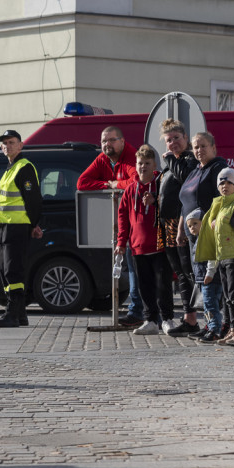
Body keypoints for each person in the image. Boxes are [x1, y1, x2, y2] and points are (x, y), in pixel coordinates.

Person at [75, 126, 144, 326]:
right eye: (104, 141)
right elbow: (82, 182)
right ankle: (136, 311)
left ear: (122, 141)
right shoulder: (103, 159)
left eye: (112, 140)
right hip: (120, 223)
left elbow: (137, 181)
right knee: (130, 268)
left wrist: (116, 184)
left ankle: (138, 311)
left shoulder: (132, 155)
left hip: (138, 222)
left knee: (135, 269)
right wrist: (107, 185)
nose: (107, 145)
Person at [115, 145, 174, 335]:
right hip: (138, 247)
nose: (143, 167)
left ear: (154, 164)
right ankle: (150, 320)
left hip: (159, 245)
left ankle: (167, 319)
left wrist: (156, 200)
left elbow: (171, 206)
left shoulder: (161, 184)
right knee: (145, 287)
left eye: (147, 163)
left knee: (163, 285)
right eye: (140, 163)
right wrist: (121, 243)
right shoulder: (130, 190)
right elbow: (122, 218)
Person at [177, 131, 229, 342]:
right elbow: (184, 205)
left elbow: (222, 202)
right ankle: (210, 323)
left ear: (214, 147)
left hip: (209, 235)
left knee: (211, 283)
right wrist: (181, 230)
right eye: (195, 147)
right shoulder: (195, 171)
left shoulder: (218, 169)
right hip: (192, 236)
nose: (199, 150)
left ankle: (217, 327)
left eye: (203, 146)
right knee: (200, 281)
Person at [195, 167, 234, 345]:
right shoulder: (219, 206)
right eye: (222, 183)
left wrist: (229, 221)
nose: (225, 186)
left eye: (229, 183)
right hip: (223, 255)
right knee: (227, 296)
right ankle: (233, 329)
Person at [0, 130, 43, 328]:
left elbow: (34, 200)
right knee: (5, 271)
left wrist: (34, 224)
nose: (8, 146)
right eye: (4, 143)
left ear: (21, 145)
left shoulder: (24, 167)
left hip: (17, 226)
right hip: (3, 227)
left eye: (12, 142)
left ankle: (12, 313)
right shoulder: (9, 168)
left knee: (13, 271)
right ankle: (20, 314)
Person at [157, 119, 201, 337]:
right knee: (180, 274)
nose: (173, 143)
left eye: (177, 138)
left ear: (186, 138)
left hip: (182, 223)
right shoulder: (170, 163)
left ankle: (207, 318)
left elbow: (186, 179)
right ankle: (189, 318)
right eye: (169, 140)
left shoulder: (190, 159)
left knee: (189, 272)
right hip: (167, 225)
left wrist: (169, 159)